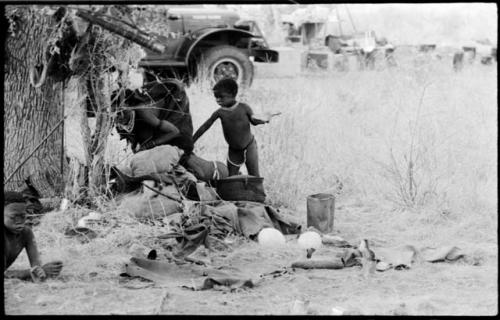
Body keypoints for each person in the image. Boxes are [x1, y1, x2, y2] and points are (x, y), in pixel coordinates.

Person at [192, 78, 270, 177]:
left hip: (249, 146)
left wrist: (263, 120)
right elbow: (205, 127)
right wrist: (192, 141)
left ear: (232, 94)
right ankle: (237, 190)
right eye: (216, 97)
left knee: (255, 176)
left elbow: (254, 121)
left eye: (221, 97)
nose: (218, 100)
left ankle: (258, 192)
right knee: (231, 178)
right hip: (234, 150)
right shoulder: (220, 112)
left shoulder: (244, 107)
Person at [115, 78, 194, 156]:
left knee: (180, 148)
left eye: (120, 112)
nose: (119, 117)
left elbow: (174, 132)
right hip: (158, 123)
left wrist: (148, 146)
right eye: (116, 115)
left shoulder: (143, 111)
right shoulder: (123, 118)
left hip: (173, 109)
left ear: (127, 105)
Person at [4, 192, 63, 281]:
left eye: (23, 216)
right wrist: (28, 272)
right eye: (13, 217)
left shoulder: (26, 233)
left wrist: (44, 271)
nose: (19, 221)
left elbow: (36, 268)